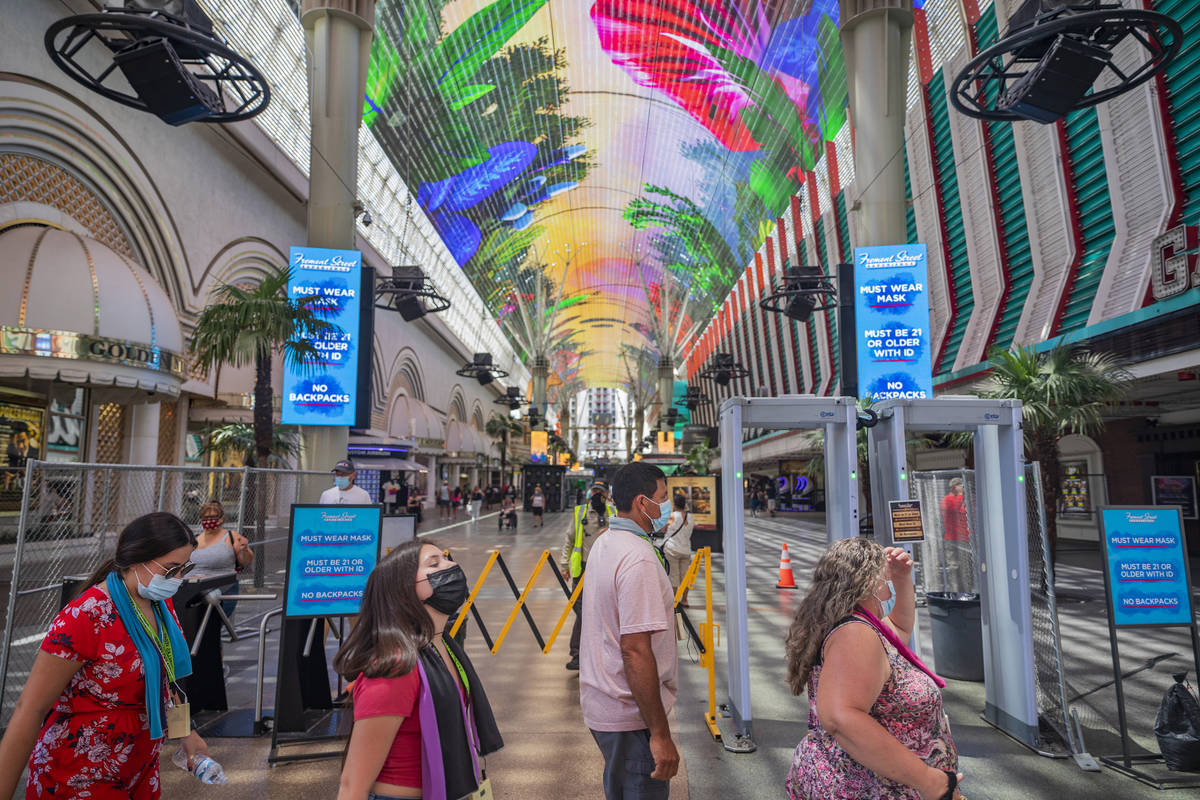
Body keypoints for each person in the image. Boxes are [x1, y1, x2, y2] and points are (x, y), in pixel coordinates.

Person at [0, 512, 212, 799]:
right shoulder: (86, 615)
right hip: (80, 773)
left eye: (183, 569)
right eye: (170, 569)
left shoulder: (161, 606)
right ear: (137, 561)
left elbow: (167, 680)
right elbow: (30, 708)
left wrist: (186, 733)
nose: (177, 579)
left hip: (138, 767)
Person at [783, 538, 961, 800]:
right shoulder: (856, 633)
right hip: (865, 788)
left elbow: (899, 629)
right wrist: (928, 781)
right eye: (884, 574)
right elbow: (842, 718)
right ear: (866, 581)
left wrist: (902, 579)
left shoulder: (866, 626)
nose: (887, 578)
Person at [335, 540, 502, 800]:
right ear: (404, 591)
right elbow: (352, 785)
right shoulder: (394, 669)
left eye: (446, 559)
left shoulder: (443, 647)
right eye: (434, 564)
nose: (452, 566)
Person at [580, 462, 679, 799]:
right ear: (641, 502)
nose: (668, 506)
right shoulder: (637, 558)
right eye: (662, 497)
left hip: (605, 704)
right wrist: (660, 734)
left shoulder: (607, 543)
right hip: (631, 716)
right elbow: (635, 650)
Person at [561, 491, 609, 671]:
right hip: (583, 570)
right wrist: (564, 564)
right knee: (583, 613)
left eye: (602, 493)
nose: (599, 496)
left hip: (605, 570)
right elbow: (569, 539)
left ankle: (595, 655)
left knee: (602, 612)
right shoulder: (580, 512)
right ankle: (578, 655)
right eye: (595, 493)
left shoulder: (612, 511)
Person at [192, 500, 253, 619]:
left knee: (211, 627)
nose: (209, 520)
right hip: (194, 592)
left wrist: (244, 549)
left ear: (221, 519)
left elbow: (245, 560)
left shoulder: (231, 536)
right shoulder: (194, 539)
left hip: (221, 591)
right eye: (205, 517)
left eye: (213, 517)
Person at [661, 494, 696, 607]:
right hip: (686, 550)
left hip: (672, 550)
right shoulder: (690, 517)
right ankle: (684, 600)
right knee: (685, 576)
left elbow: (663, 529)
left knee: (673, 577)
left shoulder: (672, 516)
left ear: (674, 504)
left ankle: (674, 602)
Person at [939, 477, 972, 593]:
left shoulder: (961, 500)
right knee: (954, 567)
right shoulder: (947, 500)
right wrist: (961, 495)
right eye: (960, 485)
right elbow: (954, 509)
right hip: (952, 539)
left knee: (966, 567)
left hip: (964, 538)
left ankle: (967, 591)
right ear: (954, 487)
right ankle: (955, 591)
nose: (963, 487)